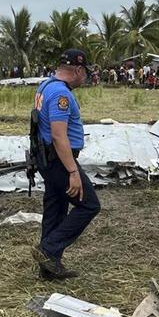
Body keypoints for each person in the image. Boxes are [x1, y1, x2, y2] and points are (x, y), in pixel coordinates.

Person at [31, 49, 101, 279]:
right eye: (85, 73)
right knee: (89, 205)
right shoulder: (61, 95)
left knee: (56, 208)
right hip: (60, 160)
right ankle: (49, 250)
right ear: (78, 70)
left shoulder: (45, 86)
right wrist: (73, 171)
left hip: (48, 159)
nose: (86, 78)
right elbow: (59, 135)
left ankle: (49, 268)